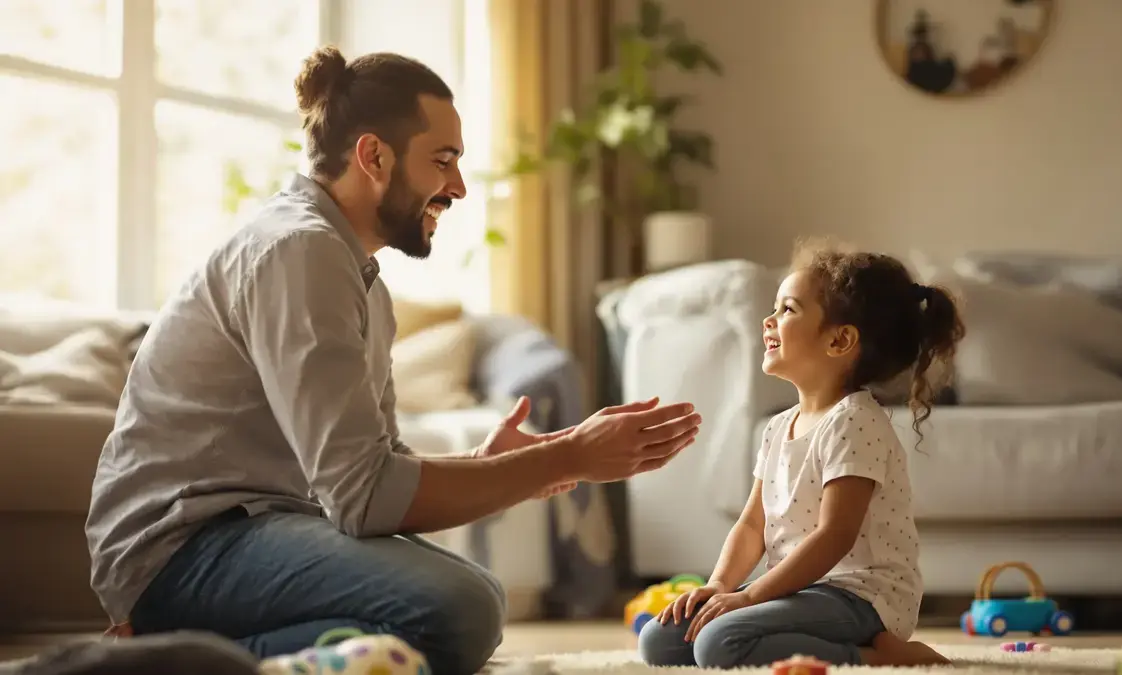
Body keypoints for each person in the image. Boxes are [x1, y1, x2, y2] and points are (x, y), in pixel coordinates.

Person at [84, 46, 702, 675]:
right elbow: (365, 500)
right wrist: (566, 455)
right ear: (373, 156)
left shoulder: (360, 279)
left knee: (471, 601)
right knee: (457, 609)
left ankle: (175, 654)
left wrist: (496, 464)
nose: (458, 187)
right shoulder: (300, 251)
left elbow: (377, 469)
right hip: (180, 549)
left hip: (253, 530)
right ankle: (157, 662)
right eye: (443, 161)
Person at [638, 239, 964, 669]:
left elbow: (836, 535)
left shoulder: (855, 421)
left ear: (840, 340)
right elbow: (753, 524)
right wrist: (719, 586)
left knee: (720, 642)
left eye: (787, 310)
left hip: (861, 596)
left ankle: (880, 656)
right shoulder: (777, 427)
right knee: (660, 640)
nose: (768, 321)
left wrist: (751, 596)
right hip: (799, 591)